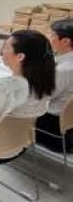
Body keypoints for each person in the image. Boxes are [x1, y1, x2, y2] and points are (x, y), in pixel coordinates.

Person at [36, 19, 73, 152]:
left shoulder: (64, 69)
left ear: (65, 41)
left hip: (52, 127)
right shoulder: (64, 61)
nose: (49, 38)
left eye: (52, 35)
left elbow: (43, 96)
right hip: (68, 123)